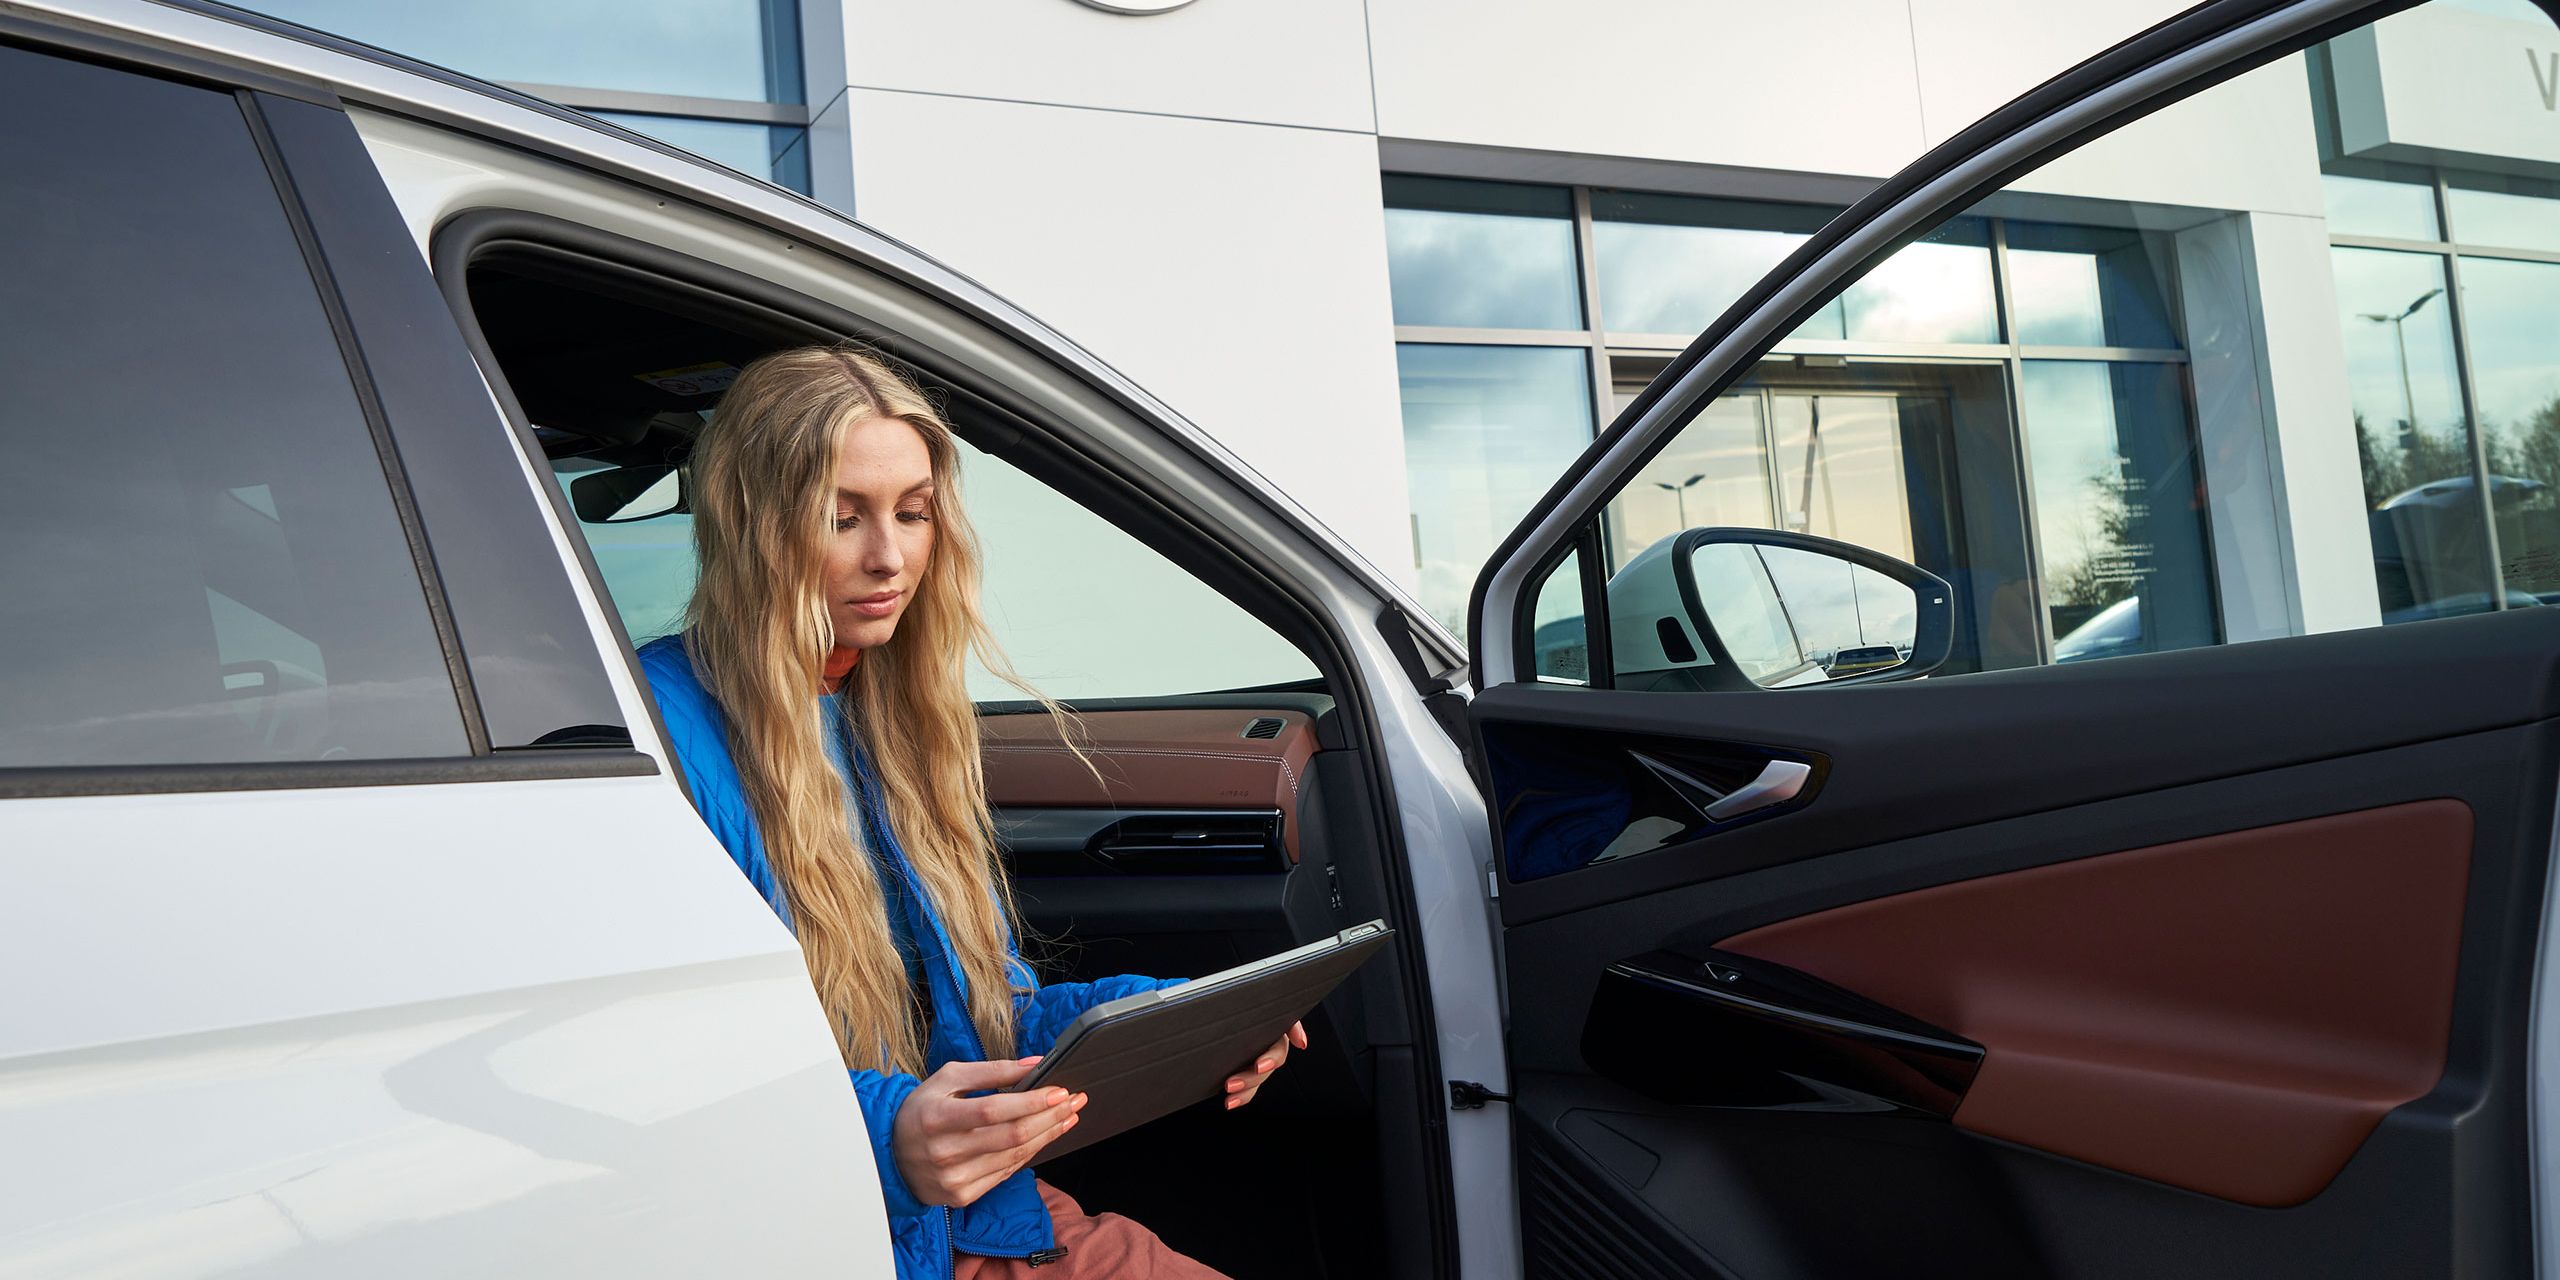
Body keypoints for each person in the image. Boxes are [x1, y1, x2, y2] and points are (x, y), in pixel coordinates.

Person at [637, 345, 1303, 1279]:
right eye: (843, 518)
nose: (893, 556)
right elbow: (646, 1066)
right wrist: (885, 1137)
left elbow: (989, 1025)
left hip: (978, 1218)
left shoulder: (890, 718)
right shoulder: (654, 735)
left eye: (914, 513)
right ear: (753, 526)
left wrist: (1181, 1019)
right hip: (836, 1229)